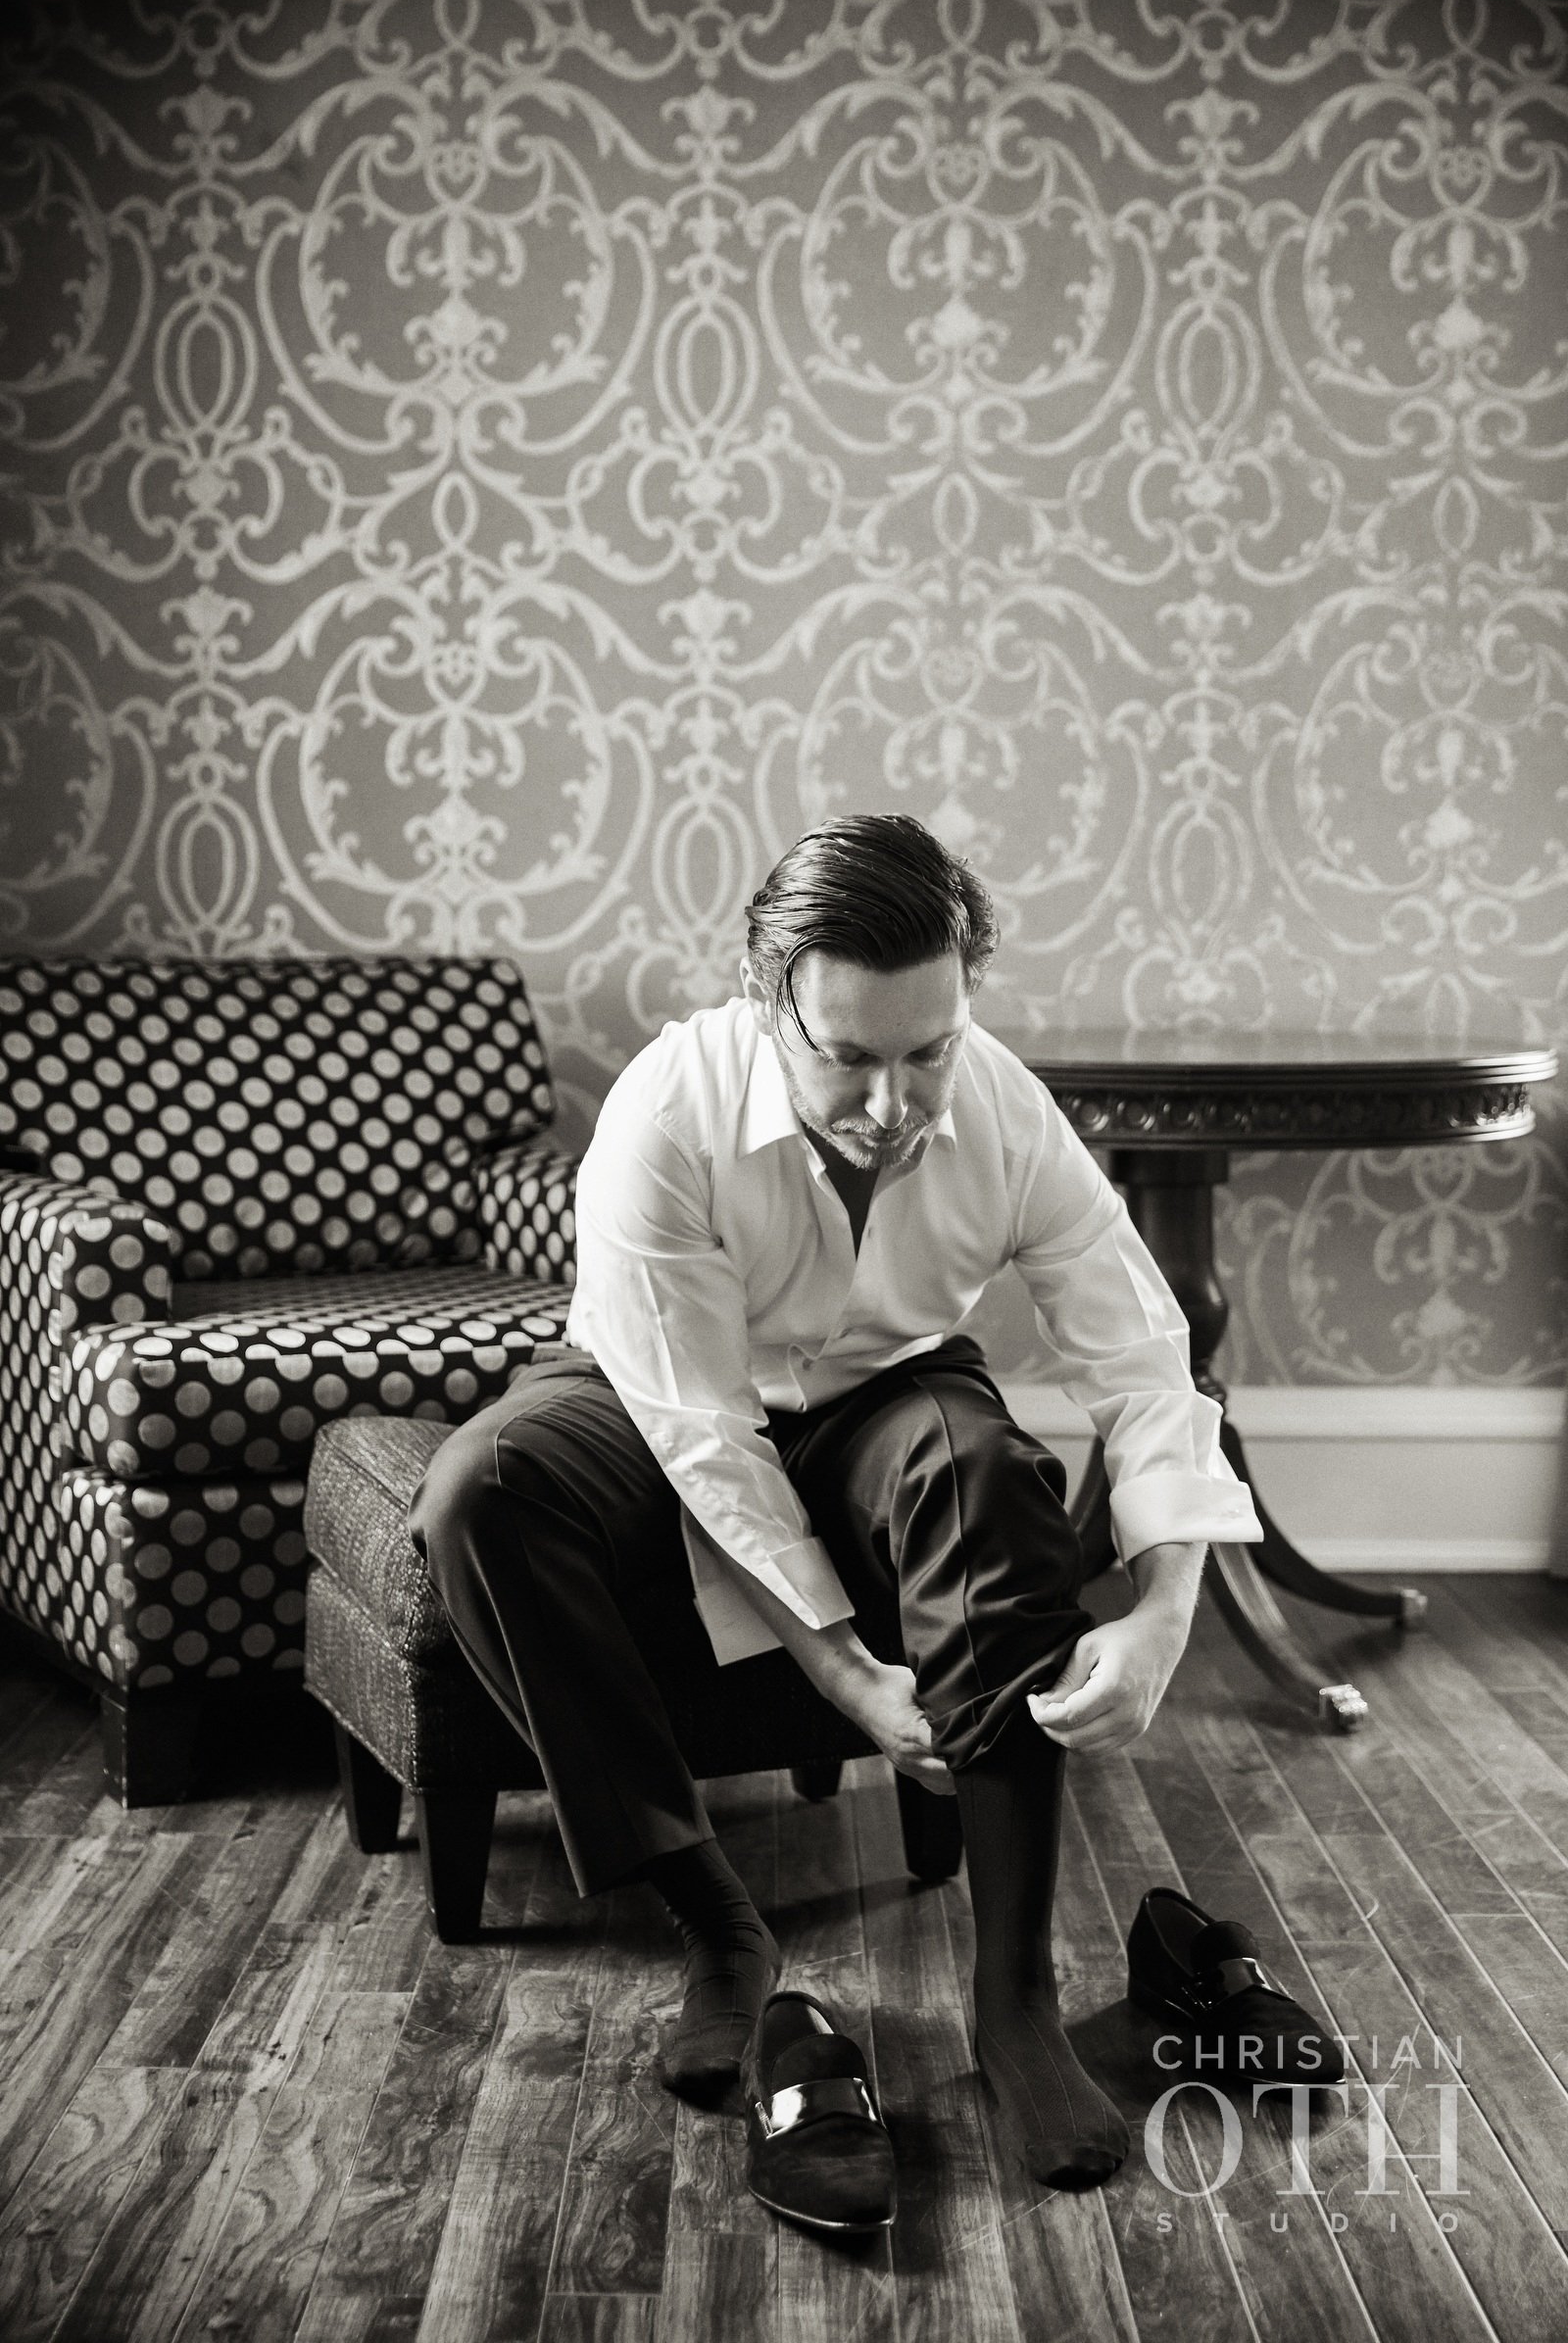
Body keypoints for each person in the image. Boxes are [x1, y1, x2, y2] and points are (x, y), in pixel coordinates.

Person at [408, 813, 1262, 2190]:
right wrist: (841, 1670)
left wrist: (1167, 1609)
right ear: (768, 1003)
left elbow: (1146, 1360)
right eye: (849, 1058)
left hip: (890, 1386)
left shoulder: (1001, 1105)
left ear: (965, 1000)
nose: (895, 1102)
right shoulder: (665, 1109)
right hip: (651, 1387)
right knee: (477, 1493)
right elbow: (704, 1434)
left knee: (988, 1470)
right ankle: (719, 1927)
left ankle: (1014, 2007)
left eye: (928, 1051)